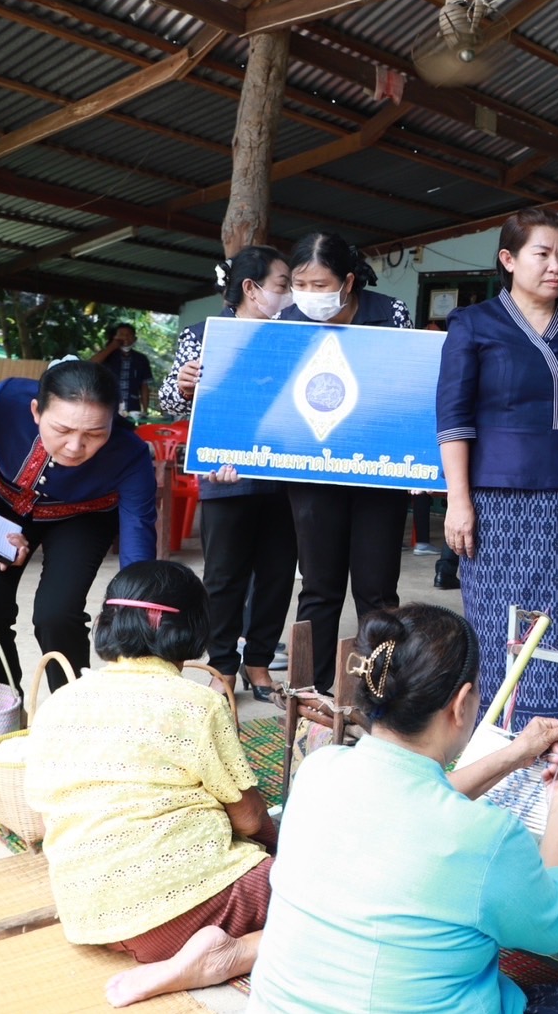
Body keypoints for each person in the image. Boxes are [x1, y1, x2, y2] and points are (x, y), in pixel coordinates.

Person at [248, 603, 558, 1014]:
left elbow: (411, 805)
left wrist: (514, 755)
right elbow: (556, 924)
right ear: (461, 703)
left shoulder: (318, 772)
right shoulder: (483, 837)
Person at [24, 561, 276, 1008]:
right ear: (192, 630)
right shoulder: (198, 703)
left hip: (89, 911)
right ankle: (229, 955)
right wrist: (281, 850)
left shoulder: (59, 703)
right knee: (332, 894)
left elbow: (45, 817)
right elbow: (252, 819)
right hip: (177, 913)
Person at [437, 209, 558, 732]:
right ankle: (495, 738)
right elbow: (454, 421)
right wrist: (459, 502)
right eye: (542, 254)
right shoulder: (474, 324)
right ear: (508, 259)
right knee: (494, 621)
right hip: (494, 503)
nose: (556, 266)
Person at [0, 360, 157, 695]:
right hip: (0, 505)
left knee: (57, 615)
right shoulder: (0, 403)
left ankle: (71, 714)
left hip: (82, 518)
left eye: (95, 434)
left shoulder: (131, 454)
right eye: (63, 430)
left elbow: (138, 536)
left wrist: (136, 609)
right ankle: (4, 706)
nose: (75, 446)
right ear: (36, 411)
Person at [157, 246, 298, 702]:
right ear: (252, 289)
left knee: (277, 573)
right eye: (283, 284)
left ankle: (259, 663)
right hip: (224, 473)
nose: (290, 293)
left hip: (287, 471)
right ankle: (222, 668)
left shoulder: (297, 337)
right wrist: (182, 384)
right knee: (224, 576)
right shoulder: (203, 335)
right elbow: (170, 402)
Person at [282, 231, 414, 693]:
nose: (310, 295)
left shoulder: (389, 313)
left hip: (377, 471)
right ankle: (309, 693)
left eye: (321, 285)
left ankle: (378, 690)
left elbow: (405, 388)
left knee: (377, 591)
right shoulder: (285, 321)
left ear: (349, 281)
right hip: (313, 472)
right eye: (302, 283)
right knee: (319, 587)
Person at [92, 322, 154, 415]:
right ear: (114, 337)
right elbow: (90, 365)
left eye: (128, 335)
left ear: (135, 339)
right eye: (121, 334)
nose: (125, 338)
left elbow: (144, 386)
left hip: (132, 408)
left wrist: (145, 410)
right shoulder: (106, 355)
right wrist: (112, 346)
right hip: (108, 406)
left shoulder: (141, 359)